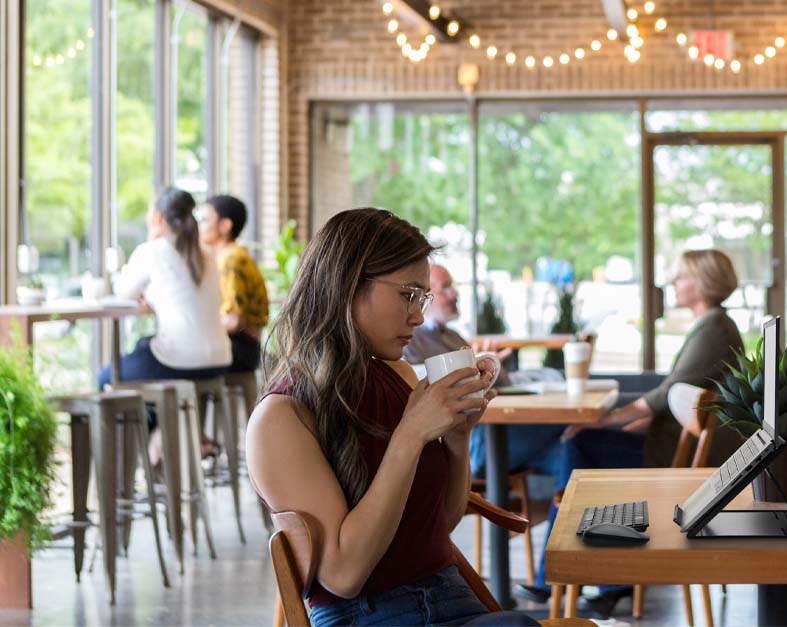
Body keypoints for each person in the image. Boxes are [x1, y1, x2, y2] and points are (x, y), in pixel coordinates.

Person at [246, 209, 537, 627]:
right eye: (407, 295)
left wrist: (457, 439)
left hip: (454, 598)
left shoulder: (397, 376)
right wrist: (410, 435)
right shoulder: (282, 416)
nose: (418, 317)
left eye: (423, 299)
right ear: (348, 284)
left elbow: (439, 524)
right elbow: (344, 575)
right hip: (369, 615)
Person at [517, 249, 745, 613]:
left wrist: (607, 419)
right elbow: (673, 394)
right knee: (589, 455)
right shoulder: (713, 324)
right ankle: (600, 579)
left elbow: (664, 394)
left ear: (703, 282)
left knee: (583, 442)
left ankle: (573, 576)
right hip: (676, 445)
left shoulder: (714, 327)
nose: (673, 282)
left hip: (680, 458)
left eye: (682, 276)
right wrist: (634, 419)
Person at [403, 264, 563, 480]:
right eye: (445, 288)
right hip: (475, 443)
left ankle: (559, 513)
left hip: (486, 435)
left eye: (453, 287)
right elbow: (417, 385)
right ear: (424, 297)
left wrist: (491, 365)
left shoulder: (452, 336)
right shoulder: (409, 341)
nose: (455, 294)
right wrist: (474, 368)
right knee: (563, 423)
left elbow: (501, 386)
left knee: (570, 451)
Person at [99, 187, 232, 407]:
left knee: (105, 378)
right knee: (144, 346)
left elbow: (123, 294)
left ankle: (148, 439)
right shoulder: (208, 255)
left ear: (159, 218)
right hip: (220, 358)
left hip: (181, 360)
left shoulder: (152, 251)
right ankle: (160, 439)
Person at [197, 194, 269, 374]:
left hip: (239, 349)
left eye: (204, 220)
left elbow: (234, 321)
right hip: (249, 349)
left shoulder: (230, 259)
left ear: (225, 225)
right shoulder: (237, 255)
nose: (199, 226)